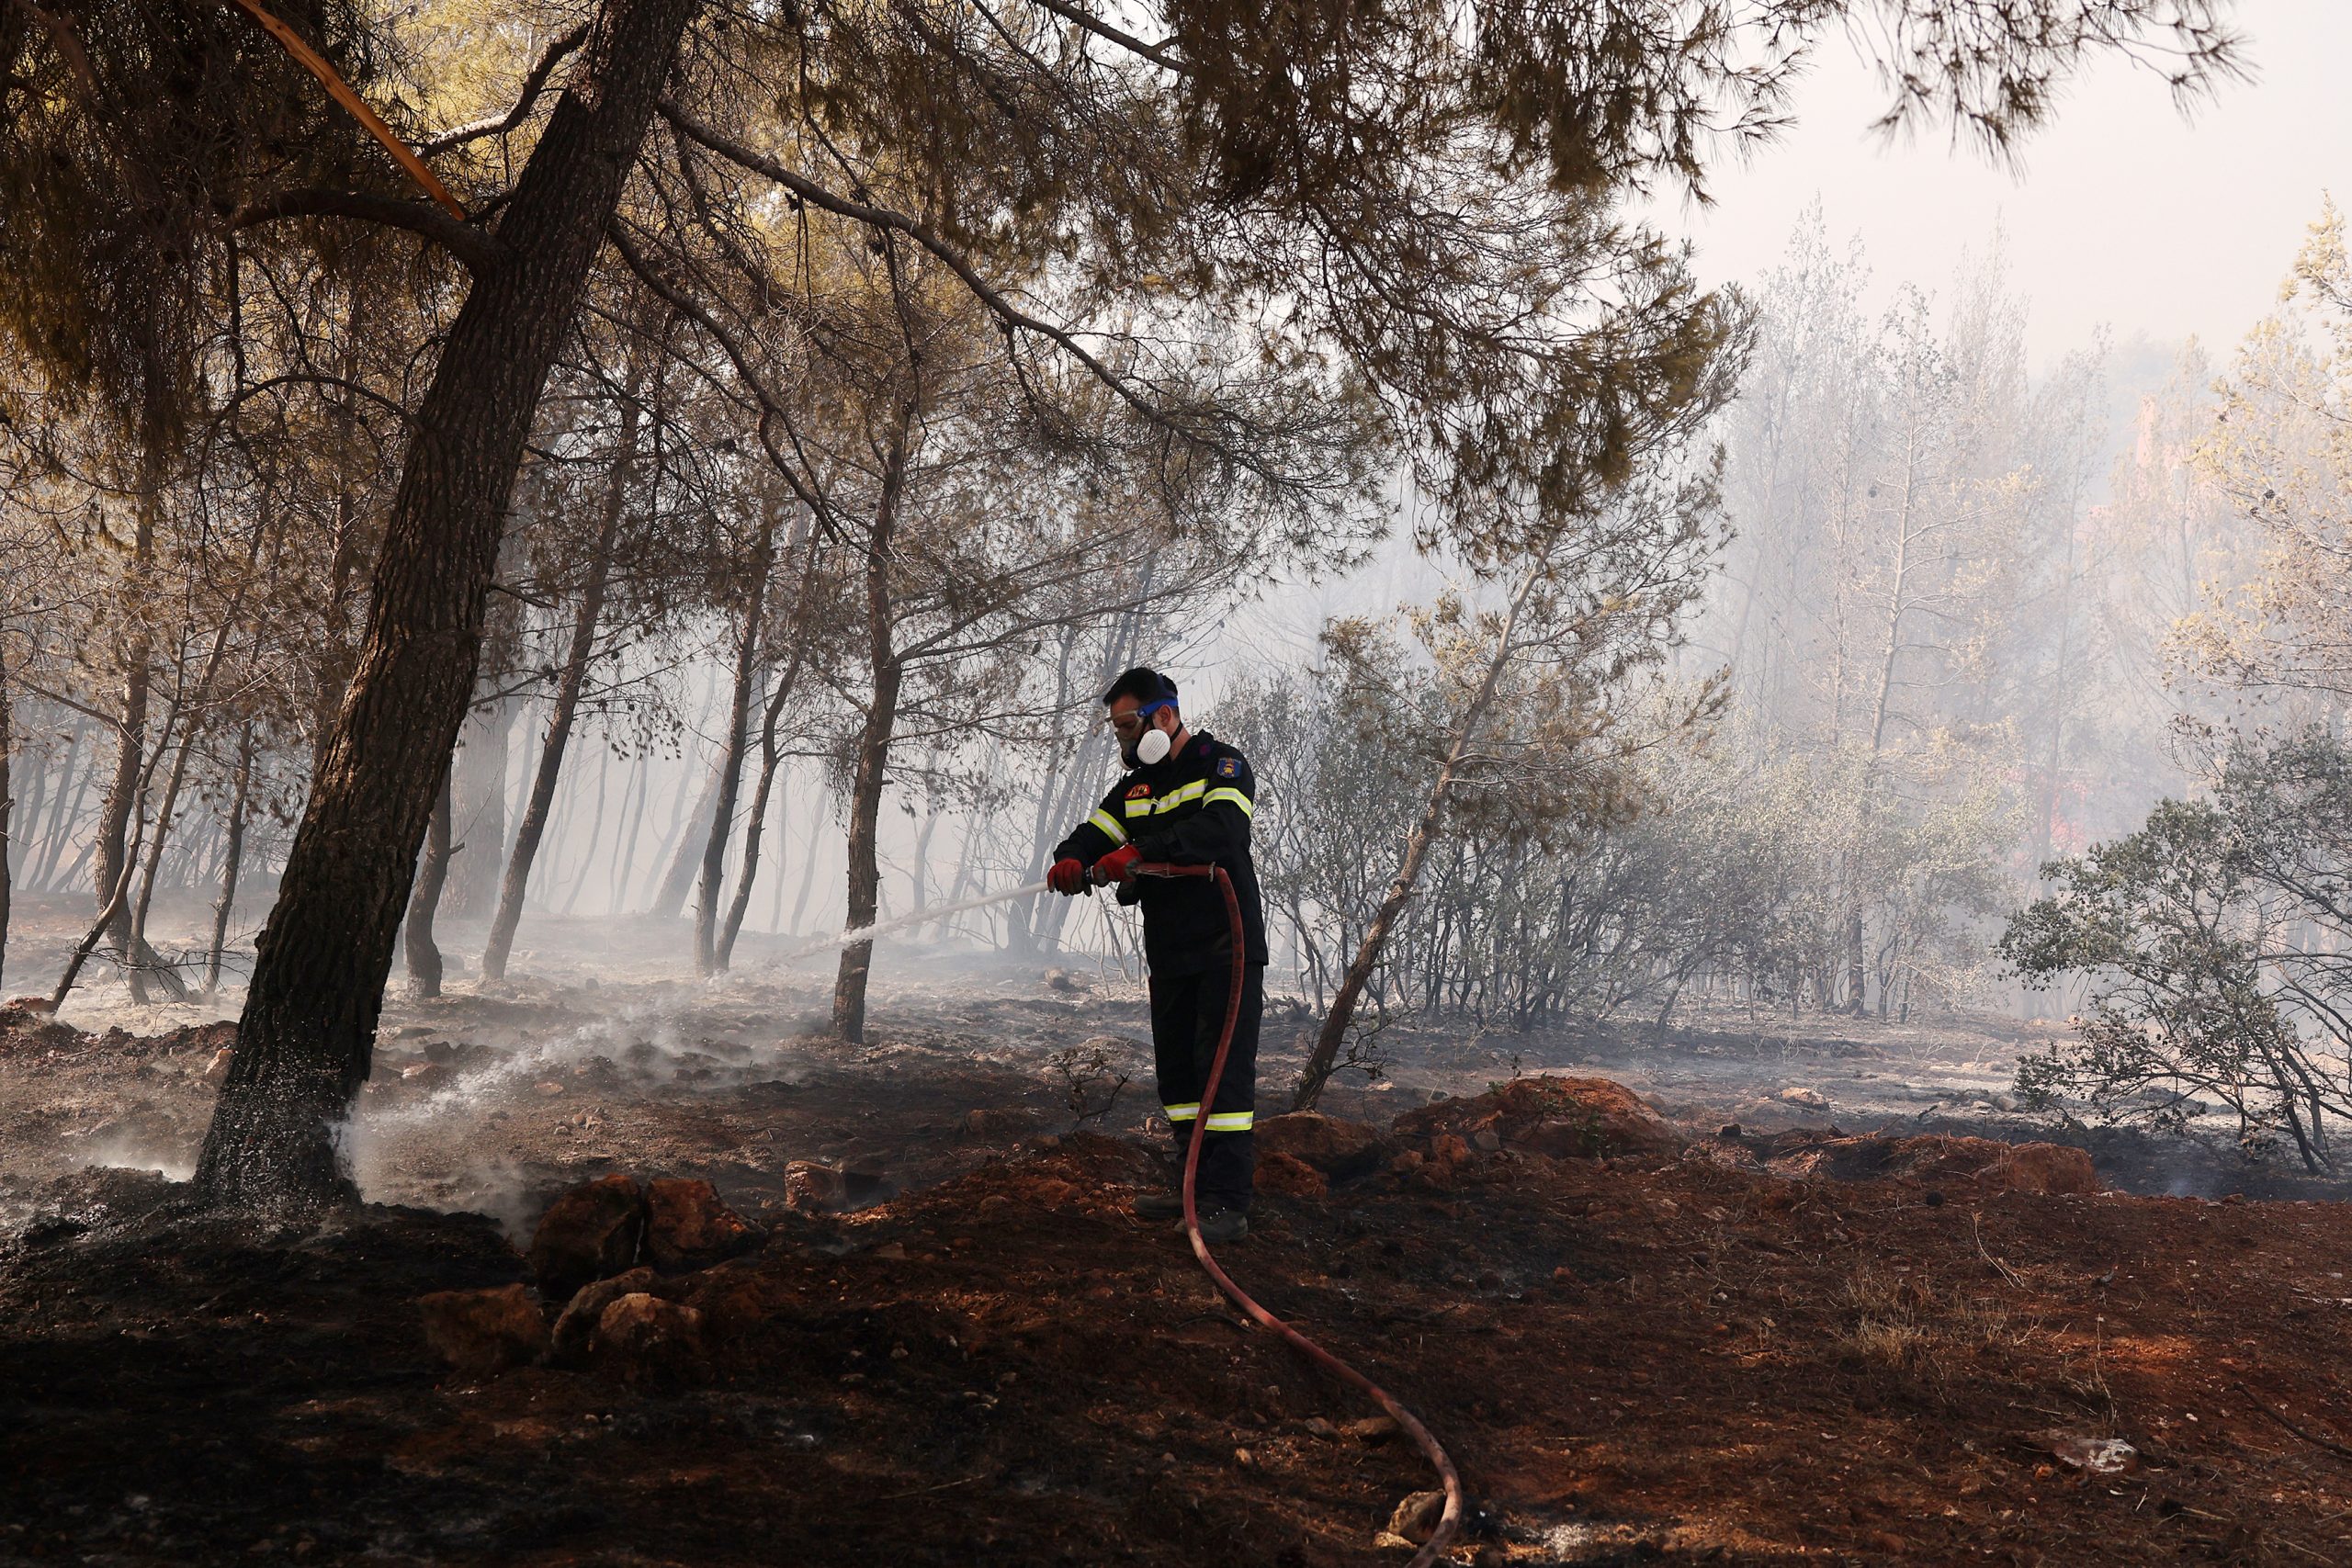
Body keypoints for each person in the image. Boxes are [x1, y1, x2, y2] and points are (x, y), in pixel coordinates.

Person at [1047, 667, 1267, 1243]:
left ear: (1164, 716)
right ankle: (1191, 1188)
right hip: (1170, 953)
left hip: (1228, 947)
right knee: (1180, 1076)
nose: (1122, 738)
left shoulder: (1222, 766)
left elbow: (1220, 833)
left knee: (1221, 1075)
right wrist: (1071, 858)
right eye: (1116, 728)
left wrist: (1141, 852)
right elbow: (1091, 833)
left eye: (1128, 724)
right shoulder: (1136, 788)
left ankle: (1226, 1204)